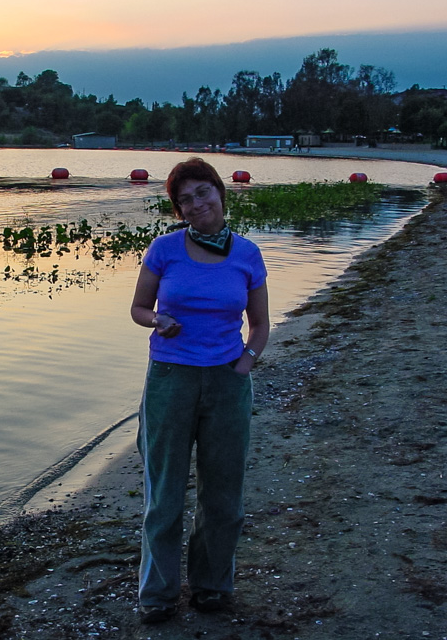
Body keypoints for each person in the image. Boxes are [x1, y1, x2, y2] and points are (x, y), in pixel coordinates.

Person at [130, 157, 270, 624]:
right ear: (177, 209)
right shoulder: (164, 250)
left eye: (202, 193)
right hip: (171, 379)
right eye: (184, 199)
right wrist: (158, 320)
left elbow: (261, 322)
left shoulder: (247, 254)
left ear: (220, 193)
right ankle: (159, 594)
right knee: (164, 493)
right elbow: (138, 308)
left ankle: (212, 587)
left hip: (227, 382)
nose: (195, 204)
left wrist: (247, 361)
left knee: (223, 494)